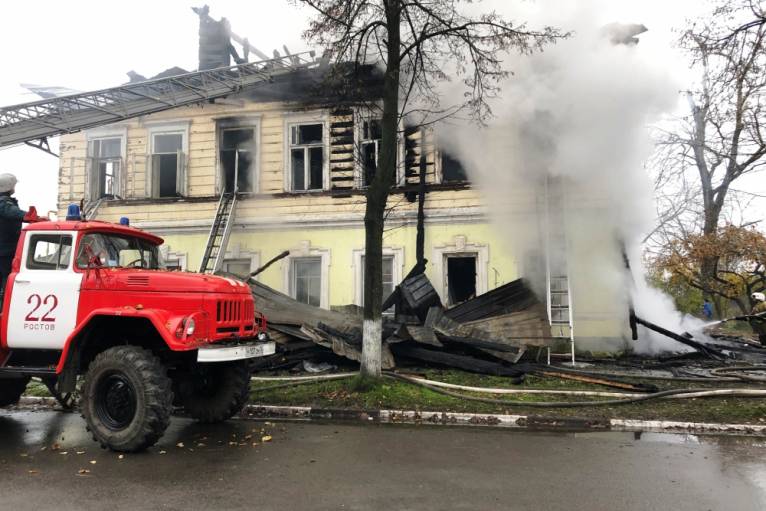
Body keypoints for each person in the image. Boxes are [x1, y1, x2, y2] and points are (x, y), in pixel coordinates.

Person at [0, 173, 43, 300]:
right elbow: (10, 211)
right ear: (9, 187)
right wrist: (29, 217)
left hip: (5, 250)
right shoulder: (3, 203)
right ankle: (4, 306)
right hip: (5, 252)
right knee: (7, 279)